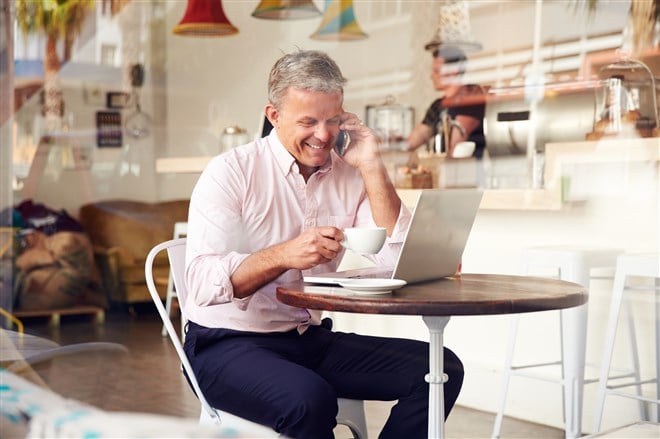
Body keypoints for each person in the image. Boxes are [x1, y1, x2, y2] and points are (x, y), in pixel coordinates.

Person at [184, 49, 464, 439]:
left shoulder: (349, 174)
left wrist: (372, 165)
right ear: (273, 116)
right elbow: (198, 282)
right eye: (308, 121)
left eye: (333, 120)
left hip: (305, 338)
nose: (323, 135)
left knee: (441, 370)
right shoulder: (231, 172)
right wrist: (284, 254)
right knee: (310, 400)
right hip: (225, 344)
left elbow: (397, 260)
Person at [407, 45, 486, 159]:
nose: (431, 76)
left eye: (436, 71)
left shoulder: (470, 99)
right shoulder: (438, 105)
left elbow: (455, 150)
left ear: (453, 71)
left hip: (466, 173)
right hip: (444, 171)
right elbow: (415, 139)